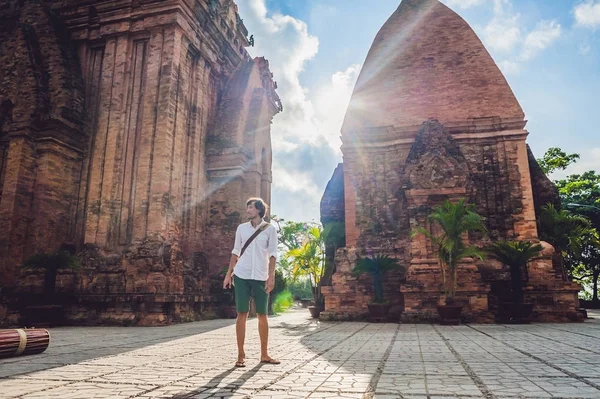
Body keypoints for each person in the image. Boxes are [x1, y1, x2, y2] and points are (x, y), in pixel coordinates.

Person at [222, 197, 280, 368]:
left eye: (250, 207)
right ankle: (240, 354)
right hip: (241, 275)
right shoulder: (241, 229)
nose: (247, 210)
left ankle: (264, 354)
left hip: (261, 276)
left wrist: (271, 277)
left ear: (259, 210)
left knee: (263, 314)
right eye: (247, 207)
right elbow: (235, 252)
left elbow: (273, 254)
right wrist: (228, 275)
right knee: (242, 313)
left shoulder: (270, 230)